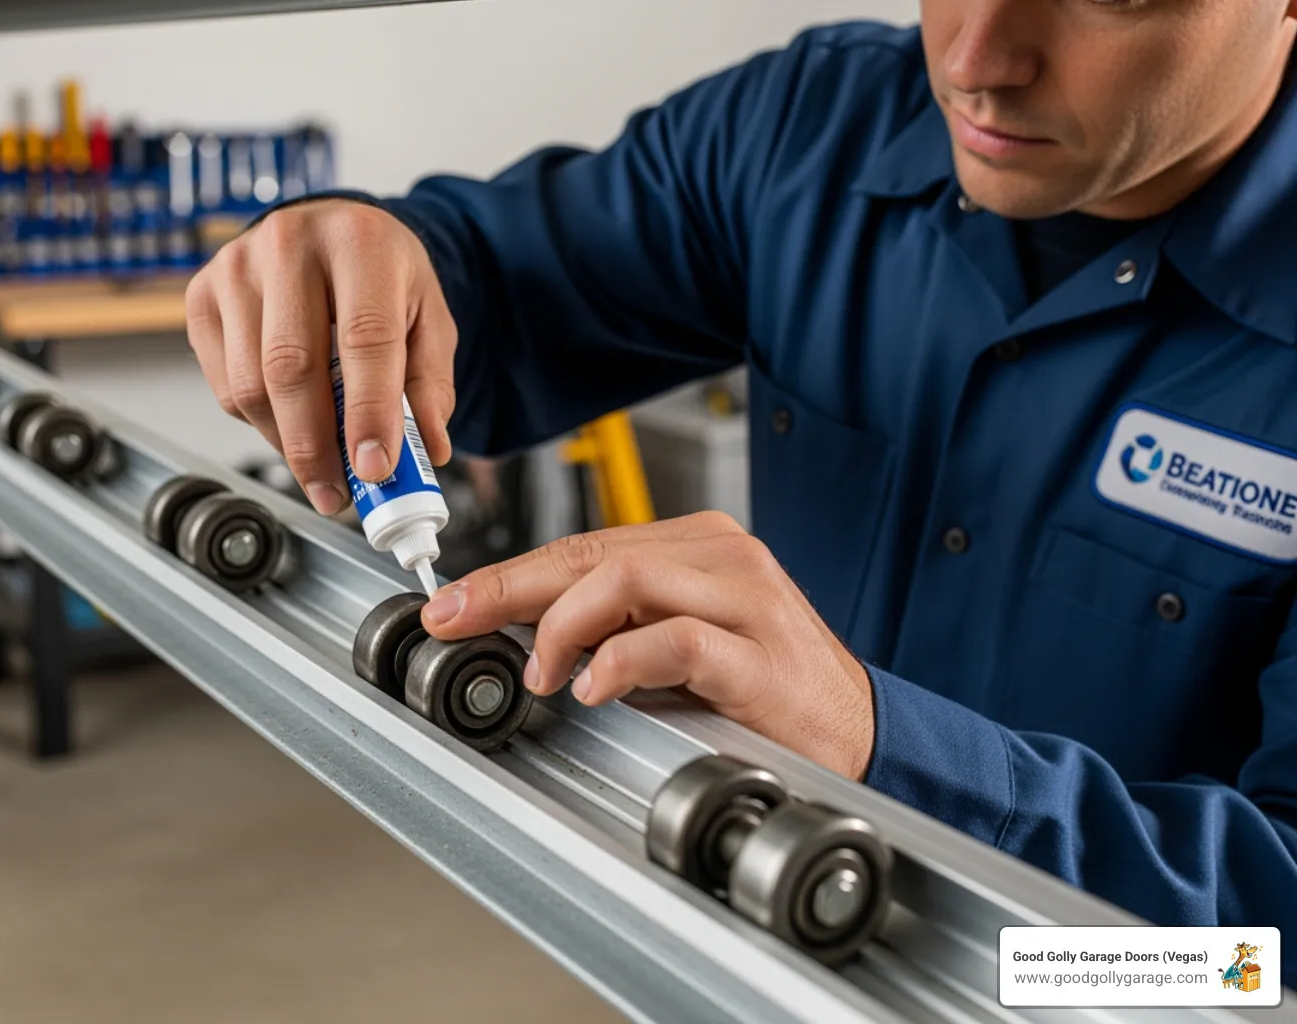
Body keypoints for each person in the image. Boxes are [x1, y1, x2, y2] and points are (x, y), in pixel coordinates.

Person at [186, 1, 1297, 968]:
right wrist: (357, 265)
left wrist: (884, 750)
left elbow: (1264, 962)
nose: (975, 61)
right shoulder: (812, 130)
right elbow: (491, 287)